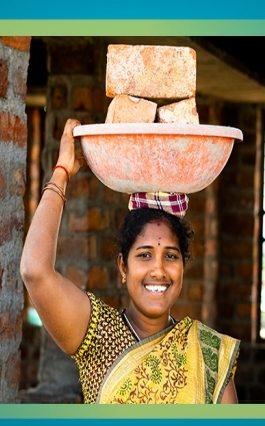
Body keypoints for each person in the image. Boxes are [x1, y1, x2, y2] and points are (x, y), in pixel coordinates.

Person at [20, 118, 239, 404]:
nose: (158, 270)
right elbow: (35, 271)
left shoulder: (208, 353)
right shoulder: (97, 335)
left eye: (170, 256)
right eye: (144, 255)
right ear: (123, 267)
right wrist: (62, 172)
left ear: (184, 267)